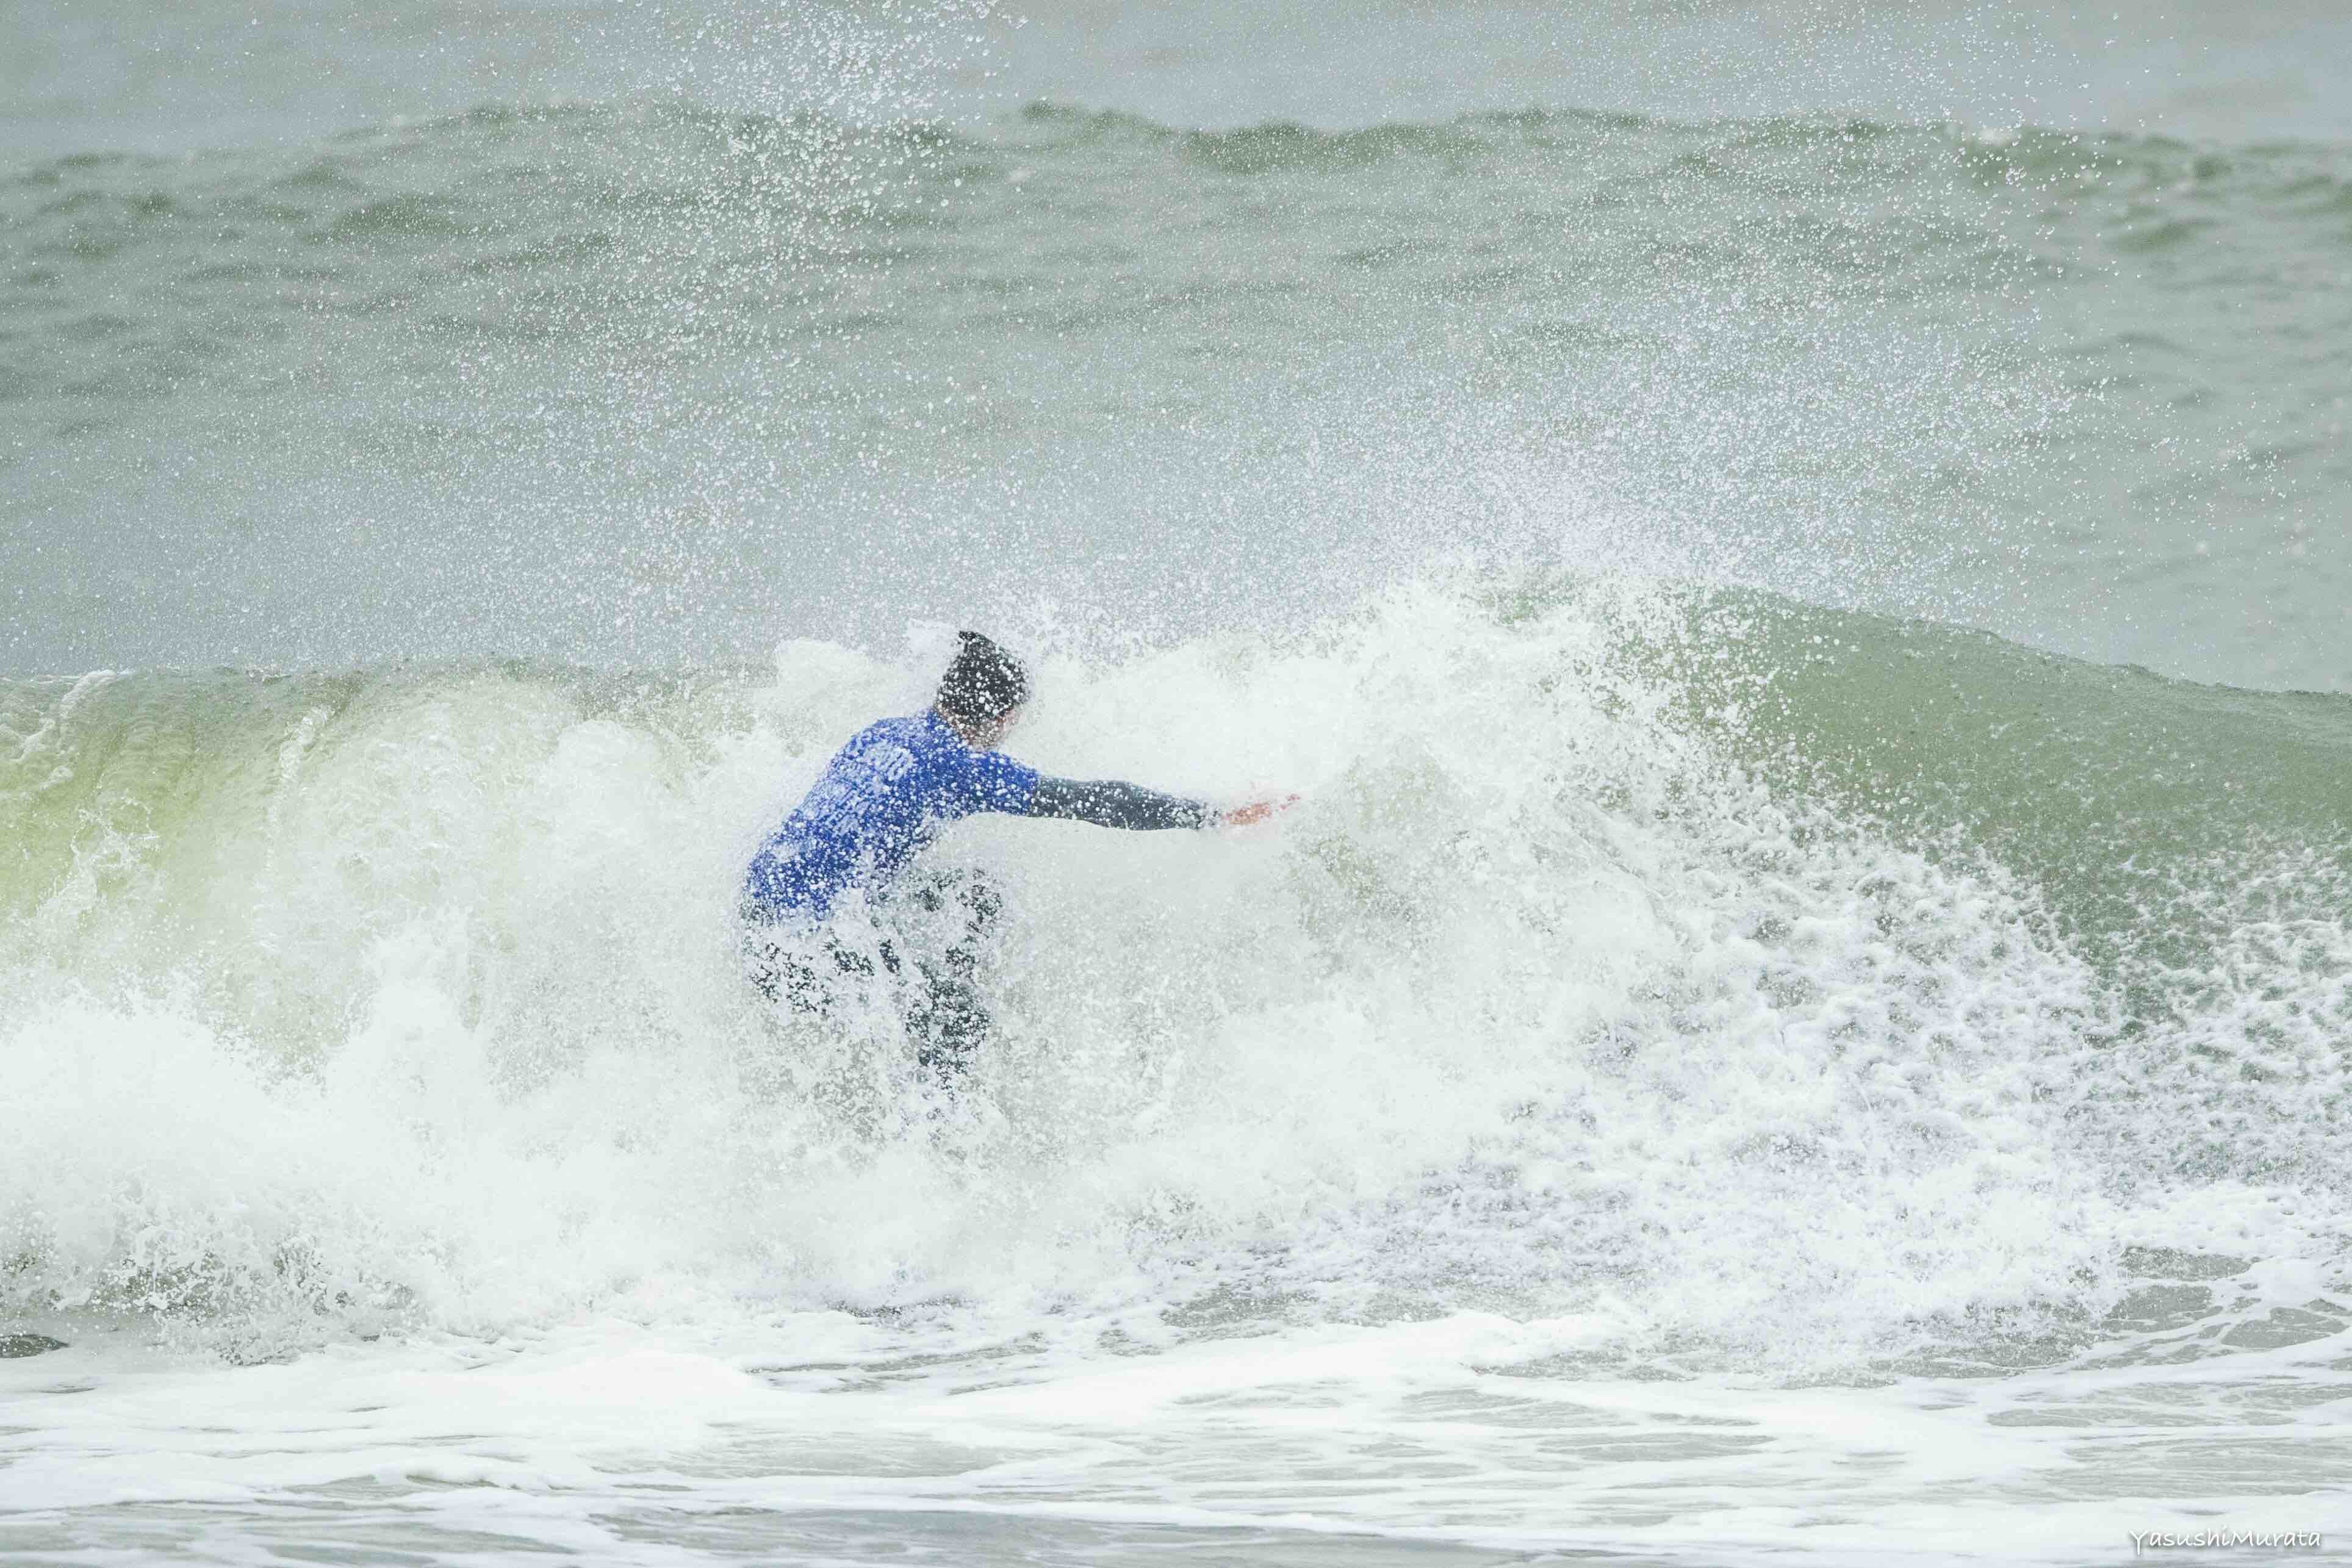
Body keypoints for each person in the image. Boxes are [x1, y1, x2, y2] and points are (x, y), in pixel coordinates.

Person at [741, 631, 1293, 1084]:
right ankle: (932, 1142)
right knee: (961, 1020)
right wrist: (1209, 814)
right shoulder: (962, 767)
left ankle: (929, 994)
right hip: (803, 948)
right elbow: (1098, 801)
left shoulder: (885, 734)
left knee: (974, 895)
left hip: (757, 916)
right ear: (1003, 717)